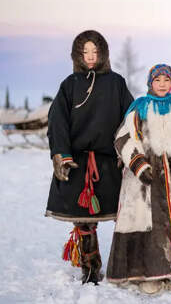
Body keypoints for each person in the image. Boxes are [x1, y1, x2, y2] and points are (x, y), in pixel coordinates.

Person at [106, 64, 171, 294]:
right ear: (150, 84)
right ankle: (146, 273)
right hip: (143, 181)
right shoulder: (138, 109)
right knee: (143, 220)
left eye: (166, 80)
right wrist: (138, 163)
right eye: (157, 80)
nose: (162, 84)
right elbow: (124, 138)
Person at [46, 30, 134, 284]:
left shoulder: (116, 82)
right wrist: (61, 155)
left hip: (109, 162)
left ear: (104, 53)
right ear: (77, 55)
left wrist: (126, 152)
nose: (91, 56)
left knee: (127, 215)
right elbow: (57, 121)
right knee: (84, 221)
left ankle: (125, 264)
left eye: (95, 51)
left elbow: (130, 118)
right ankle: (90, 266)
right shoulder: (70, 84)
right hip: (78, 162)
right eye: (85, 52)